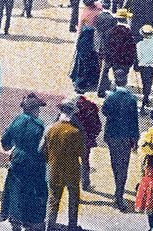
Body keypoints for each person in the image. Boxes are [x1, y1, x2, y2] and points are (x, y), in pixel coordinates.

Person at [1, 93, 49, 230]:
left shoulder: (16, 121)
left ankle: (14, 218)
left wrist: (14, 148)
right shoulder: (39, 126)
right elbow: (43, 147)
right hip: (34, 161)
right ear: (34, 110)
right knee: (33, 192)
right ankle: (30, 221)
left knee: (15, 190)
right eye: (38, 109)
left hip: (17, 159)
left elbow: (5, 143)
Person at [44, 99, 87, 231]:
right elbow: (83, 154)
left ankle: (49, 226)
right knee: (73, 199)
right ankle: (72, 226)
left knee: (53, 199)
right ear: (72, 114)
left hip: (54, 169)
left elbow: (43, 150)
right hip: (72, 171)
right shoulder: (76, 132)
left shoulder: (51, 129)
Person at [103, 71, 141, 211]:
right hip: (125, 137)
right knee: (124, 166)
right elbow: (134, 121)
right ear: (126, 81)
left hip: (112, 136)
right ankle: (119, 193)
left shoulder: (111, 98)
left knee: (115, 163)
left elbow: (105, 112)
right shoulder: (131, 99)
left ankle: (118, 191)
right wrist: (135, 139)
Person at [72, 86, 102, 191]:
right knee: (85, 162)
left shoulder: (68, 106)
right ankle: (85, 184)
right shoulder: (91, 106)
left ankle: (73, 185)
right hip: (86, 140)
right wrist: (92, 137)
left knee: (72, 162)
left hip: (71, 141)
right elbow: (97, 125)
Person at [70, 22, 100, 94]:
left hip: (85, 40)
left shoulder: (85, 13)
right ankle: (93, 80)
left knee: (83, 62)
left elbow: (79, 30)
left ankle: (81, 83)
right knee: (93, 60)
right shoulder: (99, 13)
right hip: (94, 40)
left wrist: (77, 42)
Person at [135, 24, 153, 103]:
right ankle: (146, 96)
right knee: (149, 81)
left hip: (142, 65)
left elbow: (138, 56)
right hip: (151, 65)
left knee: (144, 80)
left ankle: (145, 94)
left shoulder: (139, 44)